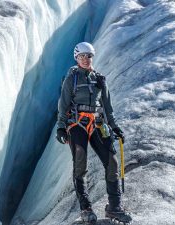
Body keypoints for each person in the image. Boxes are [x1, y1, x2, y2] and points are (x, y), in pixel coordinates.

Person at [56, 42, 132, 224]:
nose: (85, 59)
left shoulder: (100, 79)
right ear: (77, 58)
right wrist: (60, 126)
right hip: (77, 124)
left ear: (92, 57)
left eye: (88, 56)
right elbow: (63, 103)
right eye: (81, 56)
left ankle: (114, 208)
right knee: (80, 165)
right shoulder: (72, 78)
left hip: (98, 123)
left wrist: (114, 127)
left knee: (112, 163)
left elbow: (107, 107)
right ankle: (86, 209)